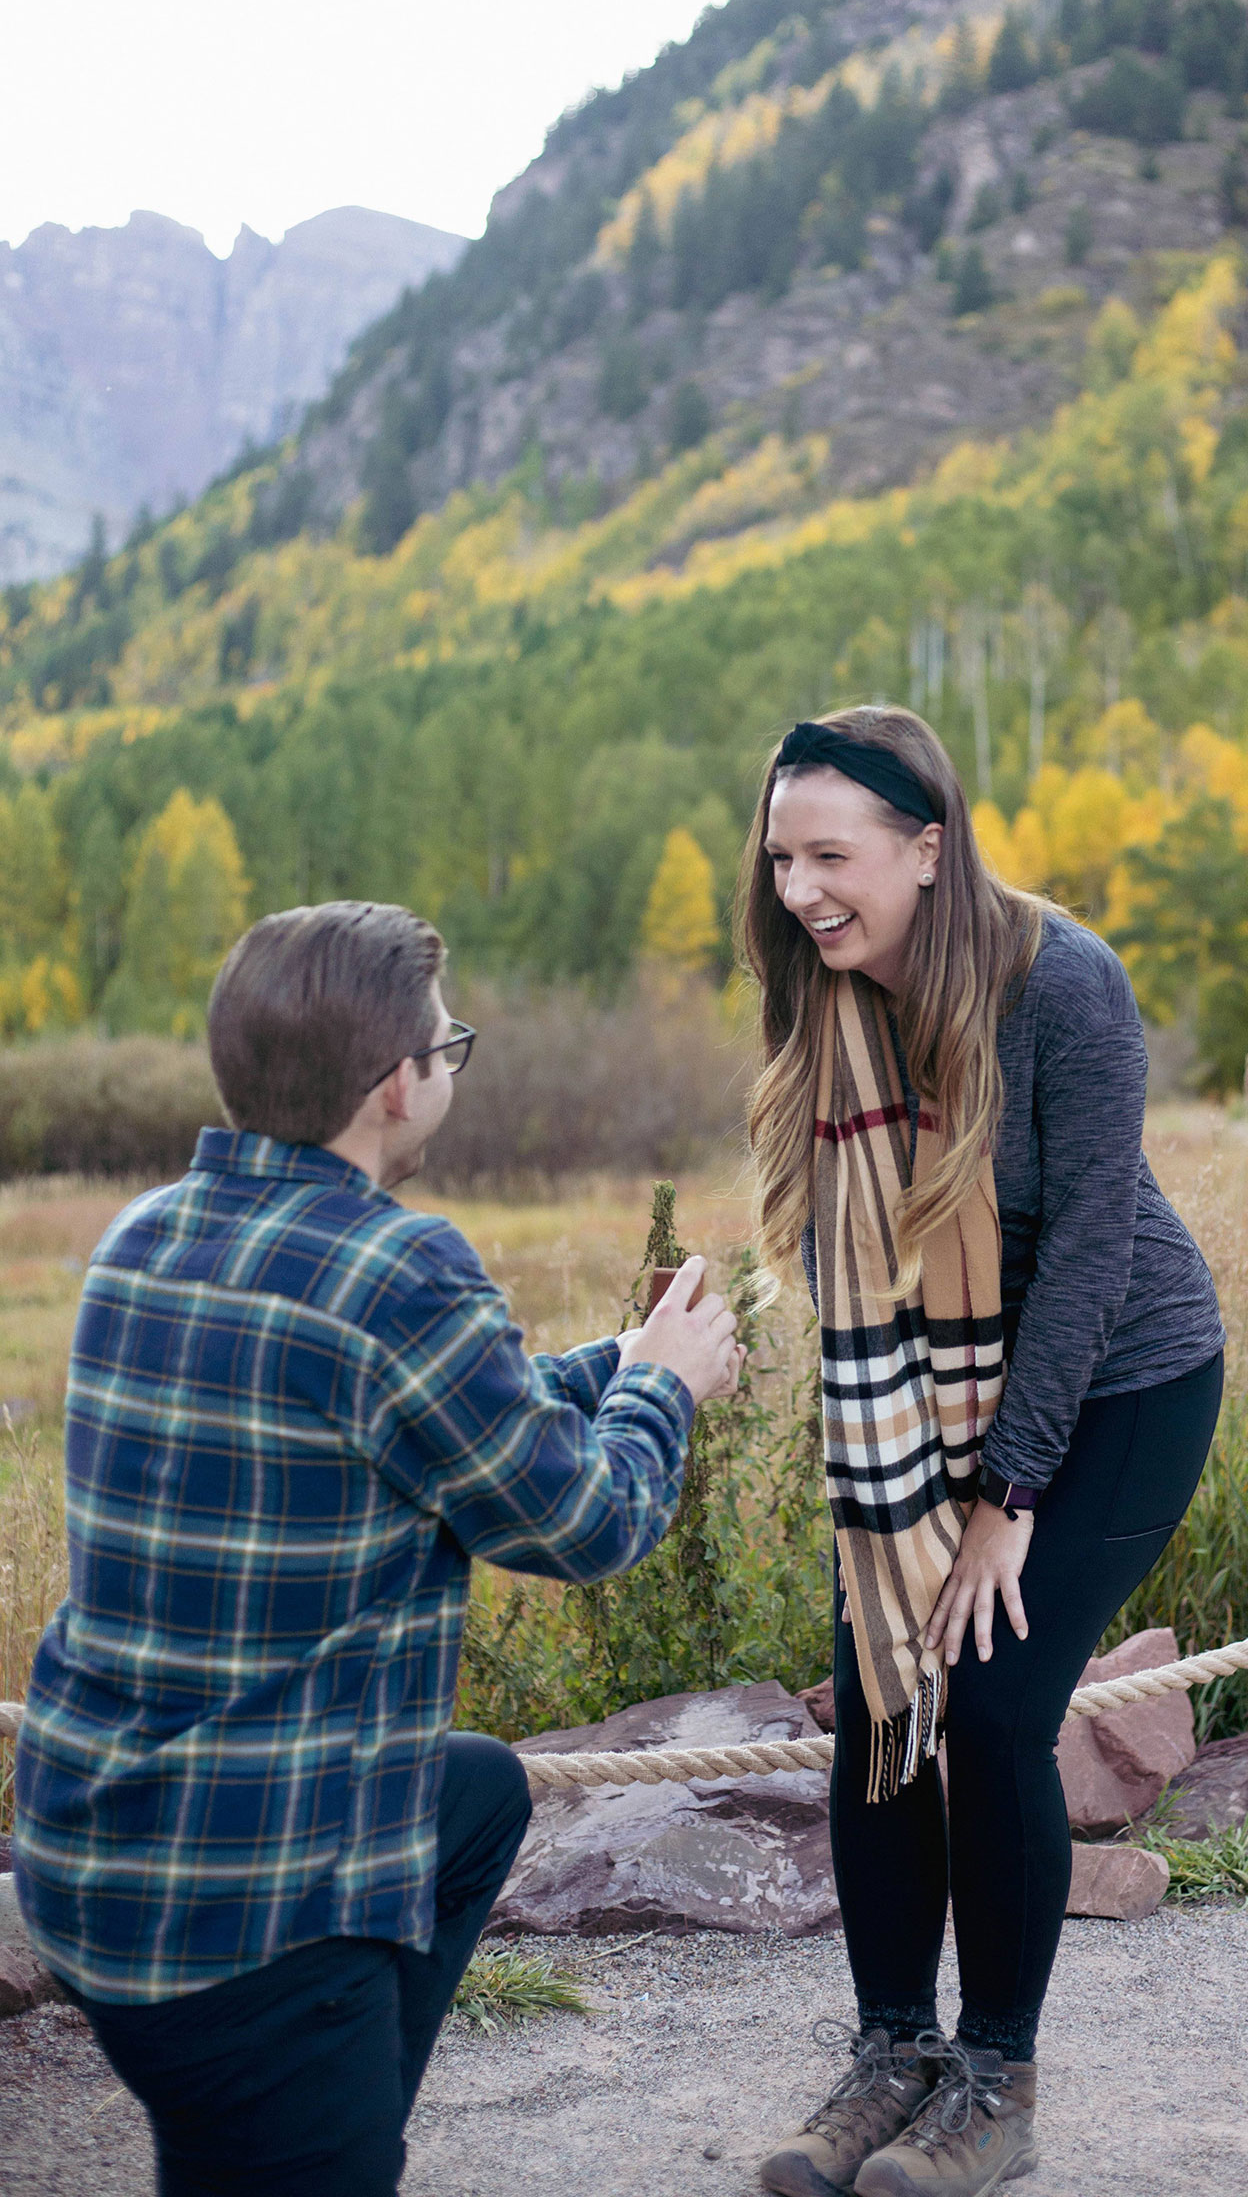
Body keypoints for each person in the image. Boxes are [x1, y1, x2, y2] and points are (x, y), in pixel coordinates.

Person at [12, 900, 740, 2197]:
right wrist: (667, 1390)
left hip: (94, 1858)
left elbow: (435, 1416)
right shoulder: (396, 1269)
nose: (448, 1067)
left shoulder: (145, 1238)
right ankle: (313, 2123)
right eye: (448, 1048)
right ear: (399, 1086)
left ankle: (325, 2128)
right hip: (246, 1918)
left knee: (481, 1798)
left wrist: (611, 1364)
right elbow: (588, 1525)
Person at [742, 710, 1225, 2197]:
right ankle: (894, 2054)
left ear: (929, 846)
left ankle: (996, 2080)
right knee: (886, 1692)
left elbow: (1087, 1252)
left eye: (834, 855)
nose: (804, 889)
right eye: (781, 858)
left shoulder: (1062, 983)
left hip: (1119, 1387)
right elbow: (841, 1249)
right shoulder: (821, 990)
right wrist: (908, 1486)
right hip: (917, 1400)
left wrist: (1008, 1495)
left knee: (999, 1709)